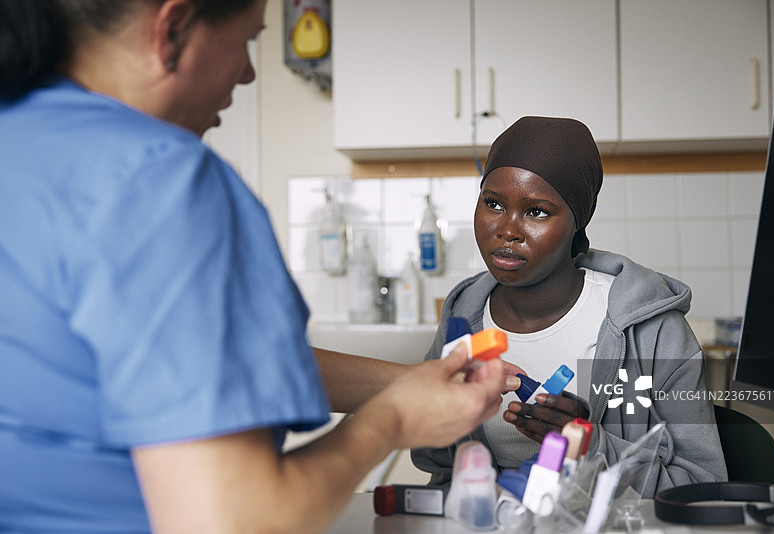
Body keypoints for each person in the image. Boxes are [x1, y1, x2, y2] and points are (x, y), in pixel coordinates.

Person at [0, 1, 515, 532]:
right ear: (172, 28)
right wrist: (396, 419)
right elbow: (239, 520)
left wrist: (411, 381)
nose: (249, 71)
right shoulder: (162, 181)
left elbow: (199, 362)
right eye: (248, 40)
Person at [411, 116, 728, 497]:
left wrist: (590, 447)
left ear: (577, 221)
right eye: (493, 203)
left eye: (537, 212)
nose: (507, 230)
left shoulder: (650, 328)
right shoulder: (464, 315)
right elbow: (440, 469)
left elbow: (703, 485)